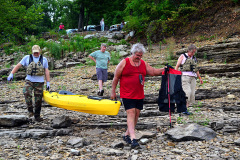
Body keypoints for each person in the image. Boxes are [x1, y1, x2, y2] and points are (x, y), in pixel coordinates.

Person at [110, 43, 165, 149]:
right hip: (127, 94)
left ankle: (127, 135)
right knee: (130, 113)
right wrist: (113, 91)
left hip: (139, 94)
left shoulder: (143, 63)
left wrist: (164, 69)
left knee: (136, 115)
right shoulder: (124, 62)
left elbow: (153, 72)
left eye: (140, 56)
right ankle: (133, 139)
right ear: (132, 53)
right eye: (137, 55)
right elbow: (116, 77)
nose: (139, 57)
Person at [7, 45, 50, 121]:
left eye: (37, 52)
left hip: (39, 82)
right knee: (26, 92)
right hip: (29, 80)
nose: (36, 53)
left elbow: (46, 71)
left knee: (38, 100)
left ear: (39, 51)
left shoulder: (44, 59)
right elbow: (18, 66)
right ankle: (30, 111)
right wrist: (12, 73)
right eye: (34, 52)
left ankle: (37, 116)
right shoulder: (26, 58)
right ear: (32, 52)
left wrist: (48, 82)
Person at [175, 44, 203, 110]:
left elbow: (196, 69)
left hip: (193, 77)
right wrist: (176, 76)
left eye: (194, 52)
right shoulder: (183, 56)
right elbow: (177, 66)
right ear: (188, 51)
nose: (193, 53)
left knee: (192, 94)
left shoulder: (194, 58)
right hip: (185, 76)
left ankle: (186, 108)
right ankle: (183, 107)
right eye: (192, 52)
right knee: (187, 92)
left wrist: (200, 78)